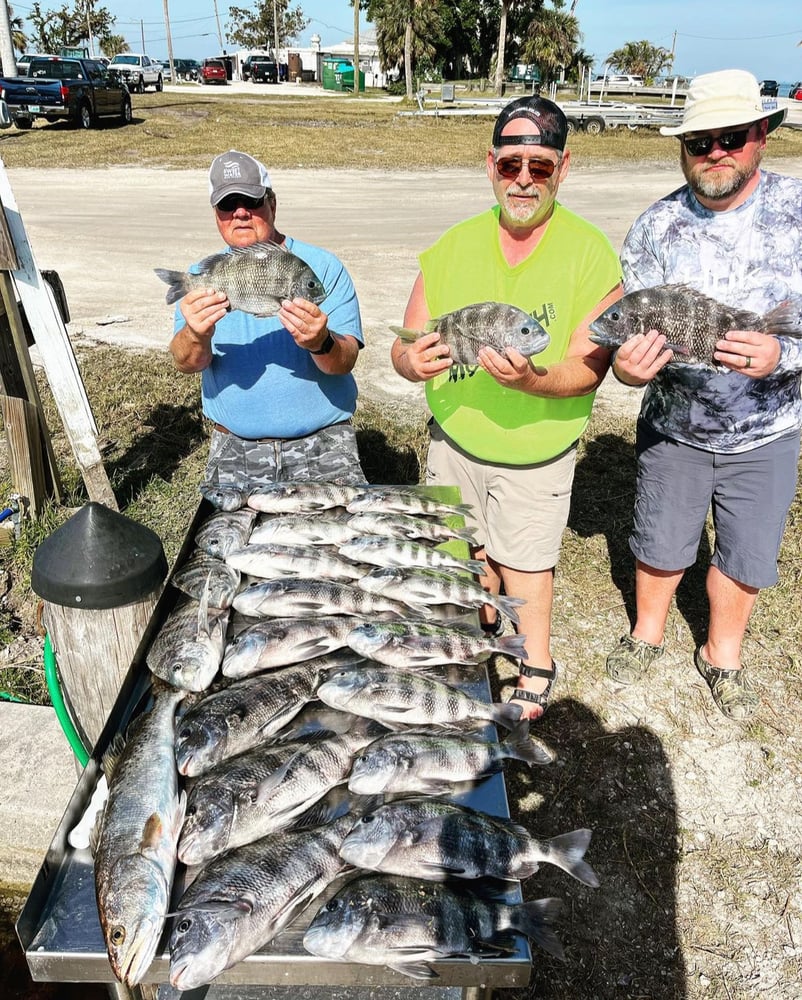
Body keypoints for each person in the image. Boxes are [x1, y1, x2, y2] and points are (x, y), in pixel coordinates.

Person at [391, 96, 622, 720]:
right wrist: (413, 364)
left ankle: (535, 660)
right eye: (511, 163)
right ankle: (473, 626)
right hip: (453, 441)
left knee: (526, 563)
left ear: (563, 167)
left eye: (539, 166)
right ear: (490, 164)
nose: (523, 178)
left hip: (536, 451)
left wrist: (531, 382)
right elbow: (405, 345)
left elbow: (589, 368)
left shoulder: (590, 252)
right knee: (454, 553)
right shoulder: (451, 247)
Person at [604, 69, 802, 720]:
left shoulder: (798, 212)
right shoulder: (653, 228)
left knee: (745, 555)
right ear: (682, 147)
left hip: (768, 432)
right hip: (675, 428)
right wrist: (630, 372)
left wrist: (783, 353)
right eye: (700, 141)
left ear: (762, 137)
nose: (716, 151)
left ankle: (723, 655)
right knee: (660, 545)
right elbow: (630, 347)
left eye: (733, 137)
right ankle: (647, 635)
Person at [169, 149, 365, 487]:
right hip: (235, 443)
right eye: (227, 205)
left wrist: (322, 343)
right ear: (216, 214)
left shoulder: (323, 267)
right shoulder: (203, 274)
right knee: (224, 540)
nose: (240, 213)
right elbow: (186, 362)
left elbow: (345, 360)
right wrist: (196, 334)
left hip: (323, 438)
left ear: (272, 203)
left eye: (251, 200)